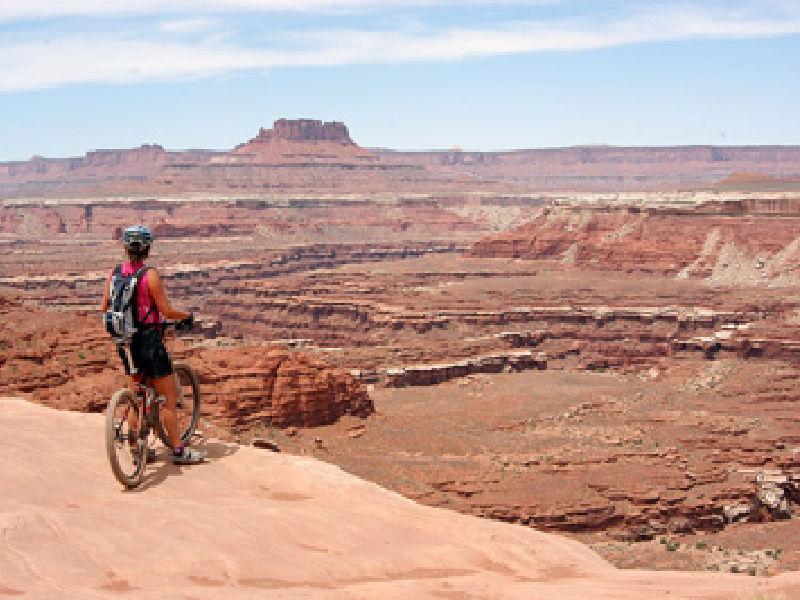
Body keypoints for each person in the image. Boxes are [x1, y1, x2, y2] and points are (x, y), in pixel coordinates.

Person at [101, 224, 206, 465]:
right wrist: (186, 316)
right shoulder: (149, 275)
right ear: (147, 248)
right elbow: (166, 310)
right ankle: (179, 451)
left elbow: (104, 306)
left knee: (136, 394)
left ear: (125, 247)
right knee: (168, 398)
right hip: (148, 341)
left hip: (125, 342)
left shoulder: (115, 273)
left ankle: (138, 449)